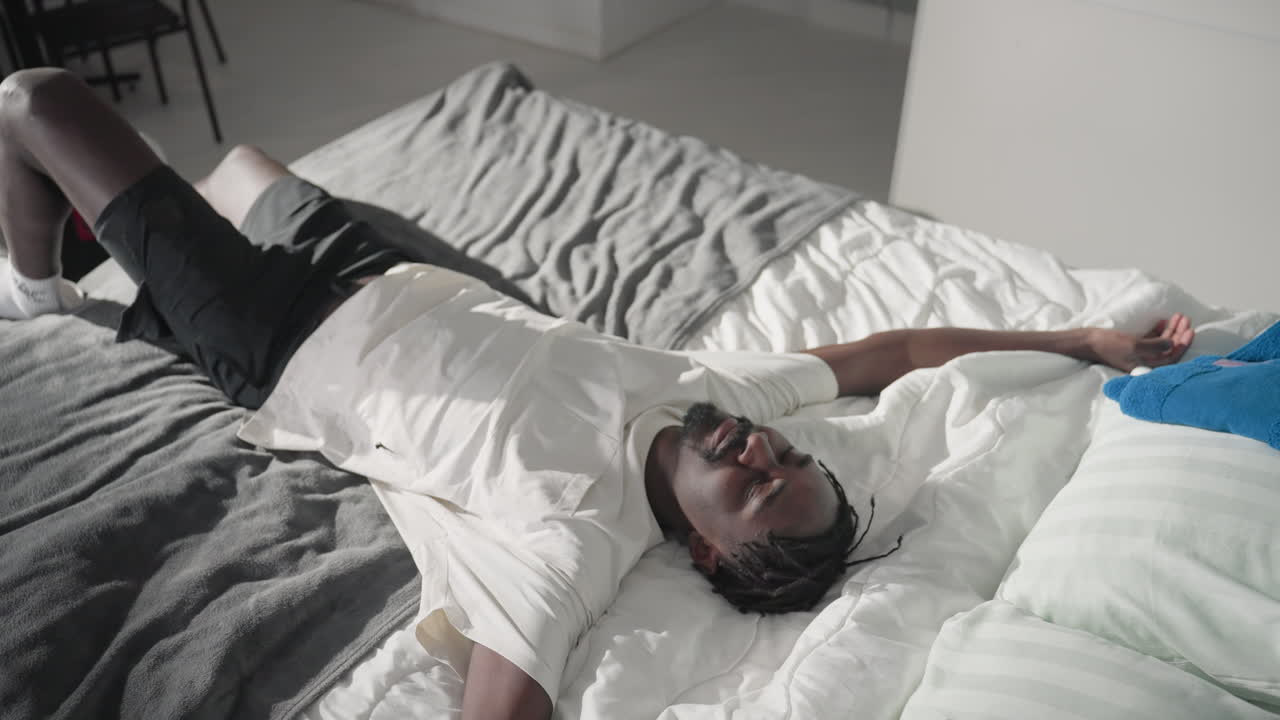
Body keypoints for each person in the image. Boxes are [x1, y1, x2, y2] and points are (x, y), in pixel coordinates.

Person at [0, 69, 1195, 720]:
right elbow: (894, 351)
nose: (759, 452)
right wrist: (1078, 337)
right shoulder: (712, 393)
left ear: (707, 553)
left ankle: (36, 293)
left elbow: (503, 705)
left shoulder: (569, 537)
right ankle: (111, 265)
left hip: (277, 336)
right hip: (385, 275)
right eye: (787, 456)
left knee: (36, 102)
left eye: (754, 490)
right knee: (249, 169)